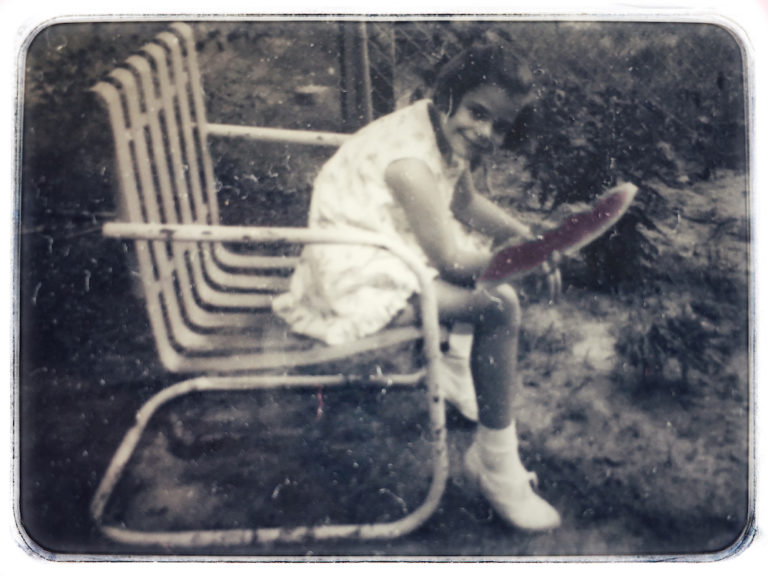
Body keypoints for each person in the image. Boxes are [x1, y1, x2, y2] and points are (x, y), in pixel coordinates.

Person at [273, 39, 561, 531]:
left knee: (474, 243)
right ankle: (496, 466)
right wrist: (520, 262)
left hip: (369, 250)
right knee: (500, 305)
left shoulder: (437, 126)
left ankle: (453, 371)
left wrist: (521, 235)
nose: (485, 131)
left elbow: (464, 204)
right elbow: (449, 261)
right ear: (449, 93)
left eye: (500, 125)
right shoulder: (411, 163)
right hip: (355, 279)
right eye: (478, 112)